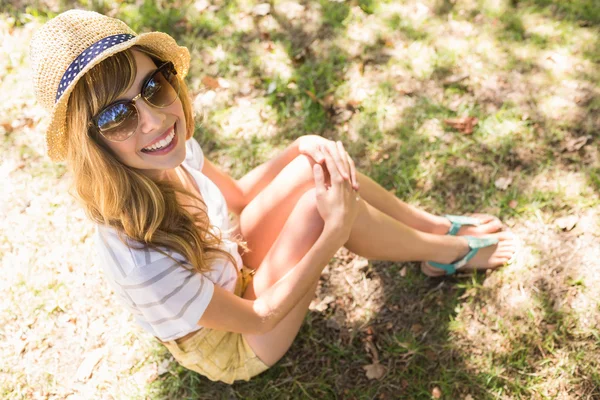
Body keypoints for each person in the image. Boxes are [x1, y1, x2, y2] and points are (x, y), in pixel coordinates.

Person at [30, 10, 517, 384]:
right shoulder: (140, 258)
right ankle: (448, 253)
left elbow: (239, 197)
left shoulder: (162, 149)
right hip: (234, 339)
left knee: (315, 168)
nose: (154, 119)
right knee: (316, 209)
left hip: (229, 263)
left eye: (153, 86)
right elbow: (259, 316)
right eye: (117, 116)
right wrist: (334, 233)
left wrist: (298, 148)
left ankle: (433, 229)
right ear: (90, 142)